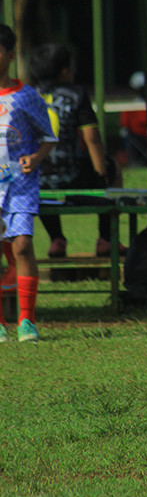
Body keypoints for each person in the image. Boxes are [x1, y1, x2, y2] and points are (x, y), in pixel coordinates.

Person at [29, 43, 123, 258]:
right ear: (64, 71)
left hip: (36, 182)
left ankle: (56, 238)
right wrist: (101, 176)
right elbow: (92, 139)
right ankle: (106, 238)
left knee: (43, 177)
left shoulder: (27, 96)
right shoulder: (76, 94)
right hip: (73, 178)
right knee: (113, 167)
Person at [0, 24, 57, 342]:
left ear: (10, 55)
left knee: (21, 245)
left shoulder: (26, 96)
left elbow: (48, 135)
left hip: (20, 183)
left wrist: (35, 158)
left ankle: (27, 320)